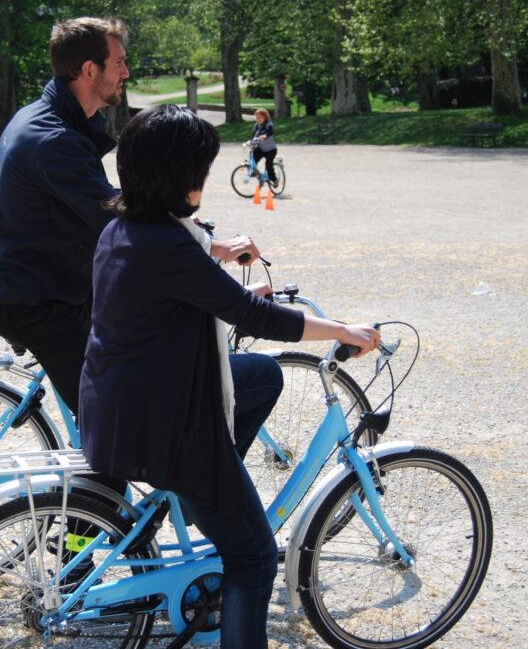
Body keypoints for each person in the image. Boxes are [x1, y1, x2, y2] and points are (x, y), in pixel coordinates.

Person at [78, 104, 380, 649]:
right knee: (254, 556)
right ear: (182, 174)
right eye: (204, 167)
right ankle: (205, 491)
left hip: (123, 403)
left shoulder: (125, 228)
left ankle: (204, 497)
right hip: (165, 425)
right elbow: (253, 316)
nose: (208, 178)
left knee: (262, 376)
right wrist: (342, 329)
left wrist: (231, 296)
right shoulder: (168, 243)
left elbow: (186, 299)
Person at [0, 17, 260, 413]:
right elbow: (114, 217)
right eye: (119, 63)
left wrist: (176, 222)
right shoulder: (53, 138)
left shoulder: (50, 118)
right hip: (37, 302)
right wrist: (212, 246)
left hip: (49, 283)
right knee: (114, 423)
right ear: (89, 70)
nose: (126, 73)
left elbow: (102, 203)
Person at [251, 107, 278, 186]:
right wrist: (250, 142)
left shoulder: (268, 124)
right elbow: (253, 137)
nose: (258, 119)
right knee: (253, 158)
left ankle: (274, 179)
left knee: (268, 165)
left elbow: (271, 131)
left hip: (271, 150)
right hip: (261, 149)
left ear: (265, 117)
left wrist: (265, 136)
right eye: (256, 117)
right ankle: (255, 173)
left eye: (260, 117)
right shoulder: (256, 126)